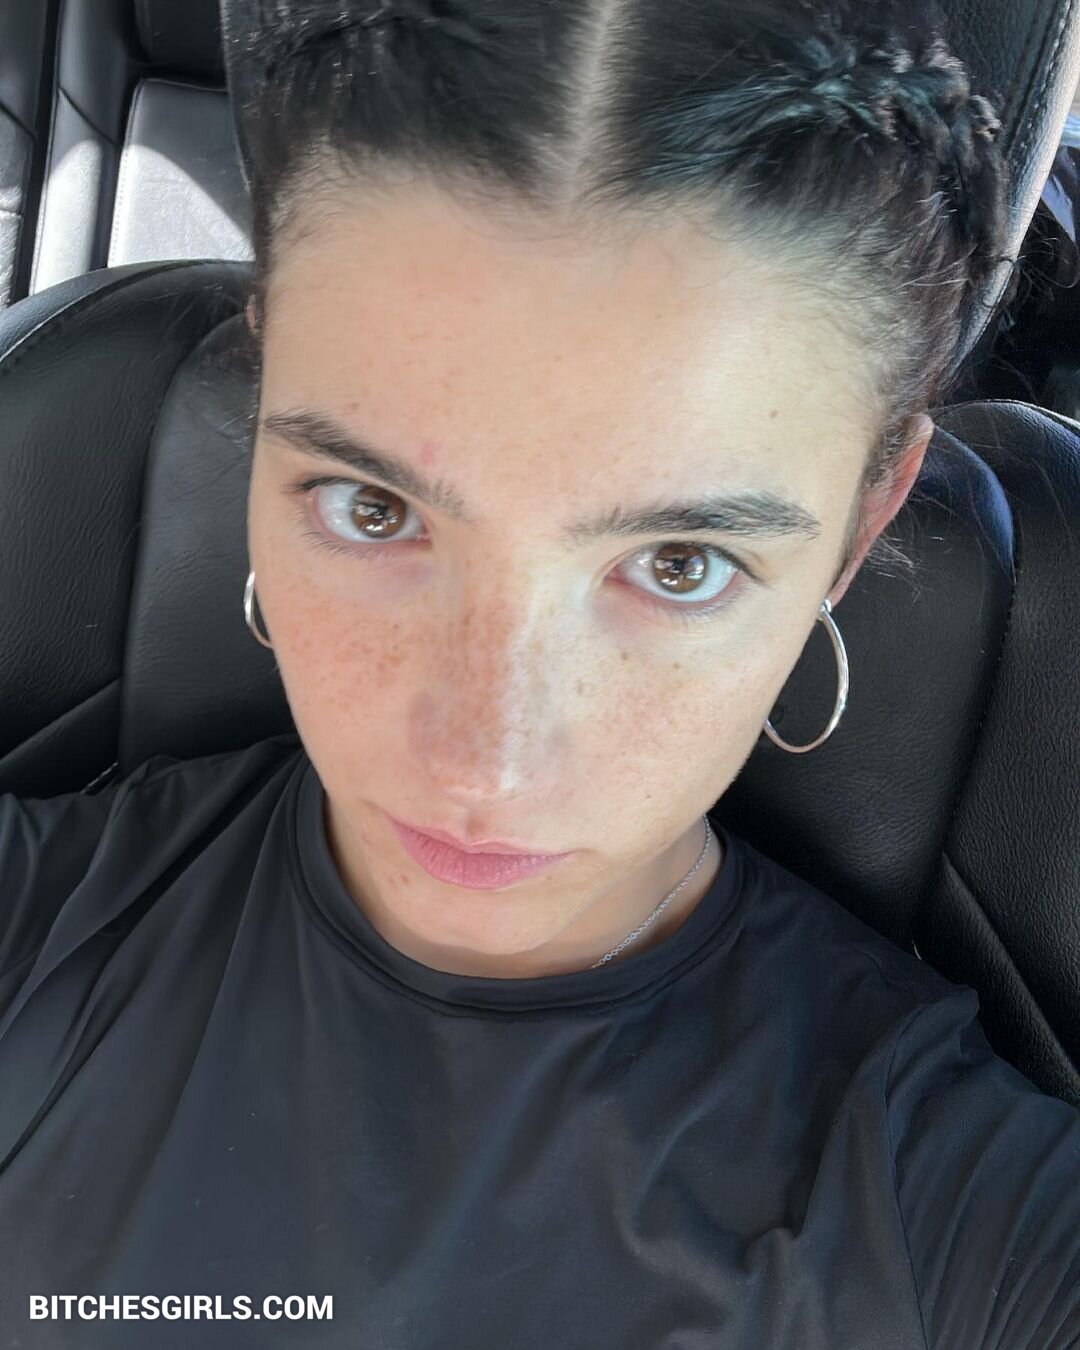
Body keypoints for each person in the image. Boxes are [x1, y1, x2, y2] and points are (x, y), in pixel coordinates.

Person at [1, 0, 1078, 1345]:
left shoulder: (975, 1228)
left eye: (679, 563)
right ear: (263, 399)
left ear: (864, 523)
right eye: (372, 509)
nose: (483, 765)